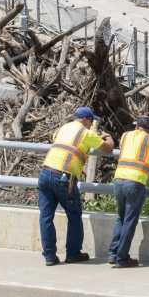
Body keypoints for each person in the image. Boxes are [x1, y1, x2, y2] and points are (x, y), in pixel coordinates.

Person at [38, 106, 114, 266]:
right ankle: (73, 253)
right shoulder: (86, 133)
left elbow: (58, 140)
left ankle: (49, 256)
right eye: (91, 121)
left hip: (45, 173)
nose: (91, 123)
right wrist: (107, 137)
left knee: (46, 216)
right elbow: (107, 149)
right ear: (86, 120)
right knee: (74, 215)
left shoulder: (64, 127)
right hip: (63, 177)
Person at [108, 115, 149, 268]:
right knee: (130, 220)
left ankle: (113, 253)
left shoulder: (125, 136)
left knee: (121, 217)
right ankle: (122, 258)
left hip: (118, 179)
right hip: (135, 181)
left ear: (137, 126)